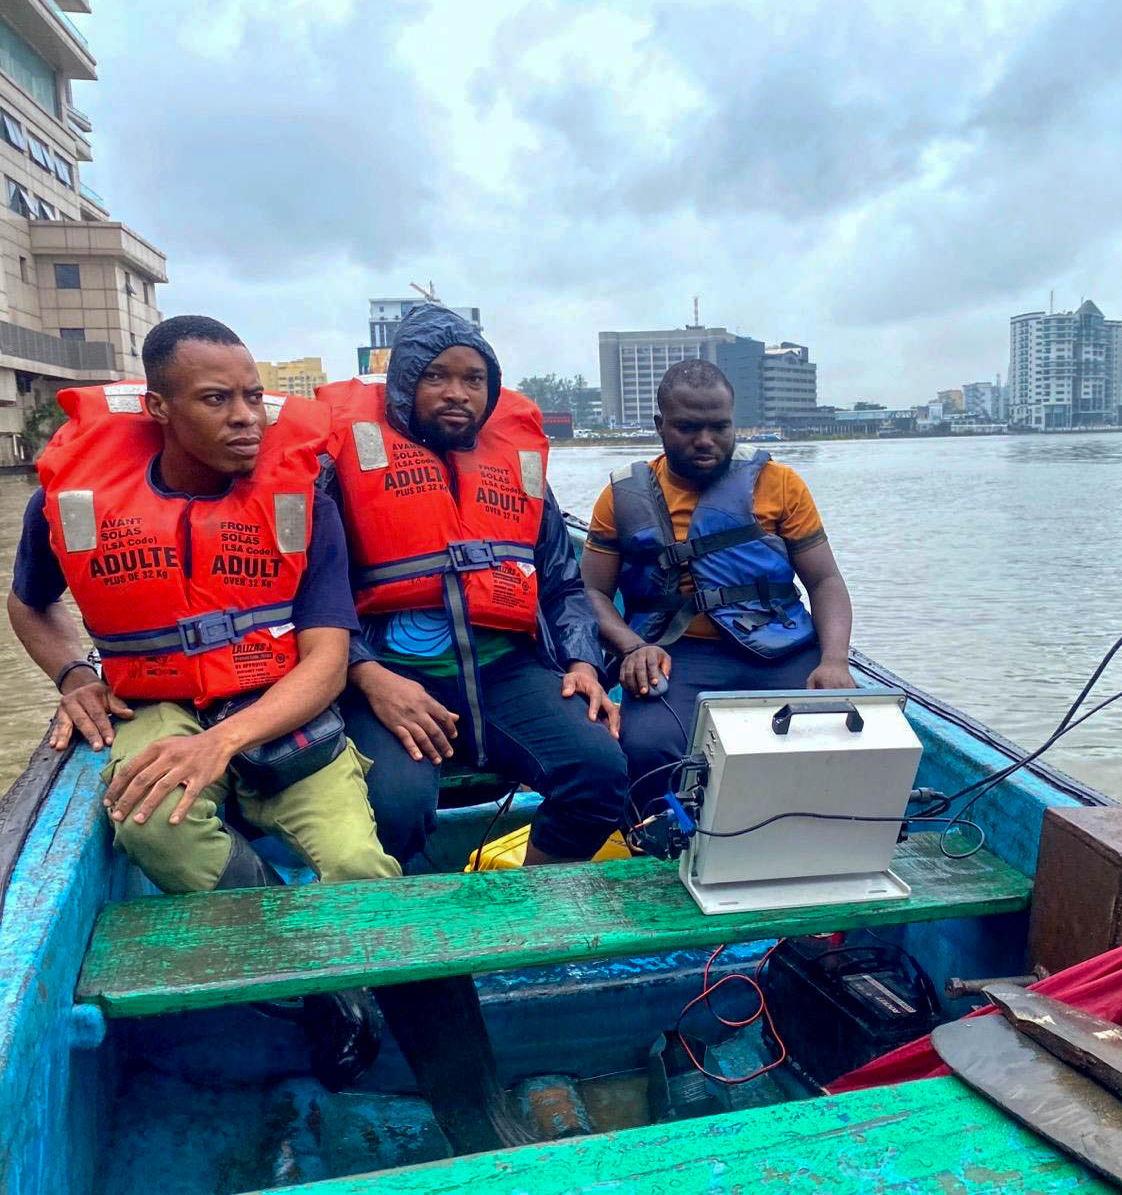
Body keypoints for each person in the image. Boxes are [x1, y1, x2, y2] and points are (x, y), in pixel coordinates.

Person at [5, 316, 531, 1155]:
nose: (247, 416)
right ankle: (322, 991)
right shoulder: (71, 500)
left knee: (365, 871)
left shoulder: (301, 494)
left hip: (284, 702)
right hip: (160, 703)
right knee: (148, 823)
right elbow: (30, 602)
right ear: (159, 406)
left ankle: (475, 1108)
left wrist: (225, 742)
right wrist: (73, 674)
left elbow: (326, 659)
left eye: (254, 395)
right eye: (217, 400)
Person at [318, 304, 627, 868]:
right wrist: (367, 675)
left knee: (599, 770)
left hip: (506, 671)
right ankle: (414, 933)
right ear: (405, 382)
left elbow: (561, 584)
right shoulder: (340, 467)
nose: (456, 392)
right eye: (436, 376)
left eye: (473, 379)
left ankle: (534, 904)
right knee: (394, 806)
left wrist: (584, 664)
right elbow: (313, 598)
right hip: (389, 675)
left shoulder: (519, 467)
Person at [580, 358, 855, 817]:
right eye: (688, 428)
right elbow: (591, 594)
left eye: (720, 427)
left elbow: (825, 581)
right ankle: (664, 848)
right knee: (647, 750)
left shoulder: (781, 484)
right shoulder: (620, 496)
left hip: (780, 647)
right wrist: (630, 648)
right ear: (660, 425)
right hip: (673, 653)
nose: (706, 441)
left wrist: (833, 660)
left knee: (838, 735)